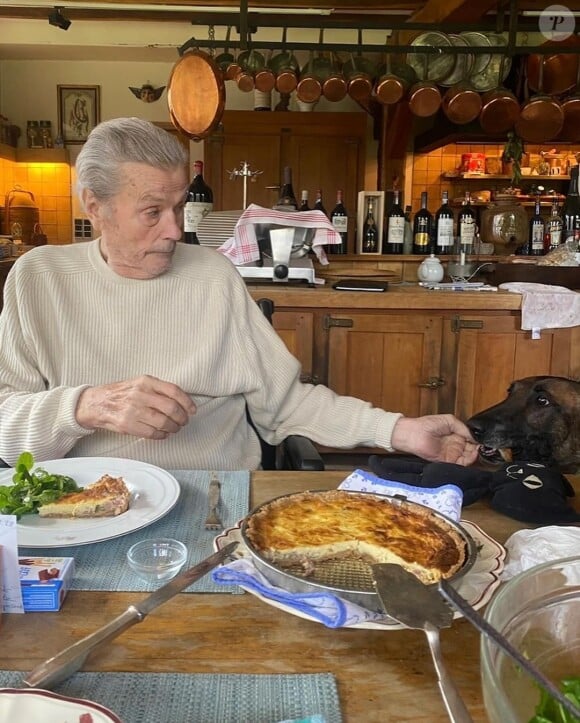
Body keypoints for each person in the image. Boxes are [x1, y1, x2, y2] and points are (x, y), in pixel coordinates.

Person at [0, 117, 478, 471]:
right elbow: (6, 425)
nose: (175, 229)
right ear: (95, 207)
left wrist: (402, 431)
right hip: (82, 504)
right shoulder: (39, 278)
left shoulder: (213, 275)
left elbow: (287, 403)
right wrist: (87, 406)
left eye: (179, 205)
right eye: (152, 211)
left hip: (214, 497)